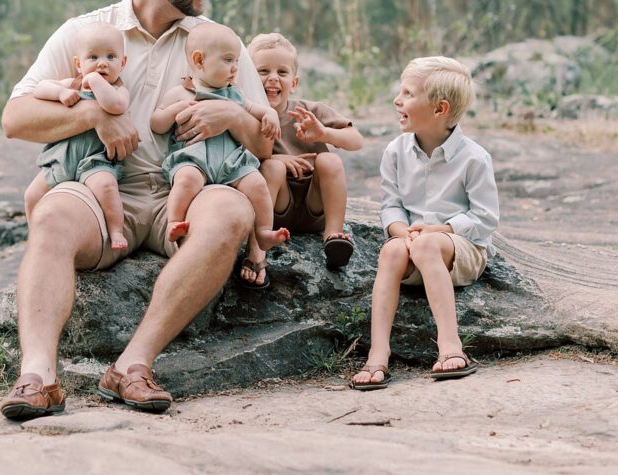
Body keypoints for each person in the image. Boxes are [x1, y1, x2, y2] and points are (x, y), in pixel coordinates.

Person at [0, 0, 271, 420]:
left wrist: (232, 112)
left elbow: (265, 145)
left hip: (183, 192)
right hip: (101, 192)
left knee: (232, 213)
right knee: (52, 215)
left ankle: (132, 366)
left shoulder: (216, 40)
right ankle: (38, 378)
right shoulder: (84, 33)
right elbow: (15, 118)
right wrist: (95, 114)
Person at [350, 56, 499, 390]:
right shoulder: (395, 152)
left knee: (428, 245)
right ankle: (378, 354)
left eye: (408, 93)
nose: (397, 100)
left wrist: (440, 230)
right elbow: (391, 207)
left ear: (439, 109)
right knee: (390, 252)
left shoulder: (474, 158)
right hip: (413, 243)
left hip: (460, 249)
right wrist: (402, 232)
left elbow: (485, 218)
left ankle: (450, 347)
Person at [237, 33, 364, 287]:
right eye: (263, 71)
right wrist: (277, 158)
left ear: (293, 83)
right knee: (271, 166)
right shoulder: (243, 116)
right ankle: (258, 250)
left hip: (313, 205)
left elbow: (356, 140)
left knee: (330, 161)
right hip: (274, 209)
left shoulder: (309, 111)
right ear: (248, 78)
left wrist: (324, 133)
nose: (273, 78)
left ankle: (333, 236)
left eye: (281, 72)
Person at [151, 23, 289, 251]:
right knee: (186, 180)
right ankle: (174, 221)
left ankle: (263, 231)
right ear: (199, 61)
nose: (235, 68)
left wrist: (271, 114)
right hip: (193, 160)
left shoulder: (236, 95)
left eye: (236, 61)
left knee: (257, 184)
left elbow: (258, 110)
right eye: (227, 60)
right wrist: (174, 111)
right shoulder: (181, 93)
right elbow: (157, 124)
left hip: (232, 162)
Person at [23, 23, 131, 251]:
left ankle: (116, 230)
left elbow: (115, 105)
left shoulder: (118, 90)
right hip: (63, 158)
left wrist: (95, 81)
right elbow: (39, 88)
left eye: (111, 57)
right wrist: (60, 92)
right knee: (32, 195)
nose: (102, 63)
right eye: (93, 57)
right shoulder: (71, 83)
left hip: (95, 161)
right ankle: (35, 237)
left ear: (122, 64)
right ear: (78, 64)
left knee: (107, 188)